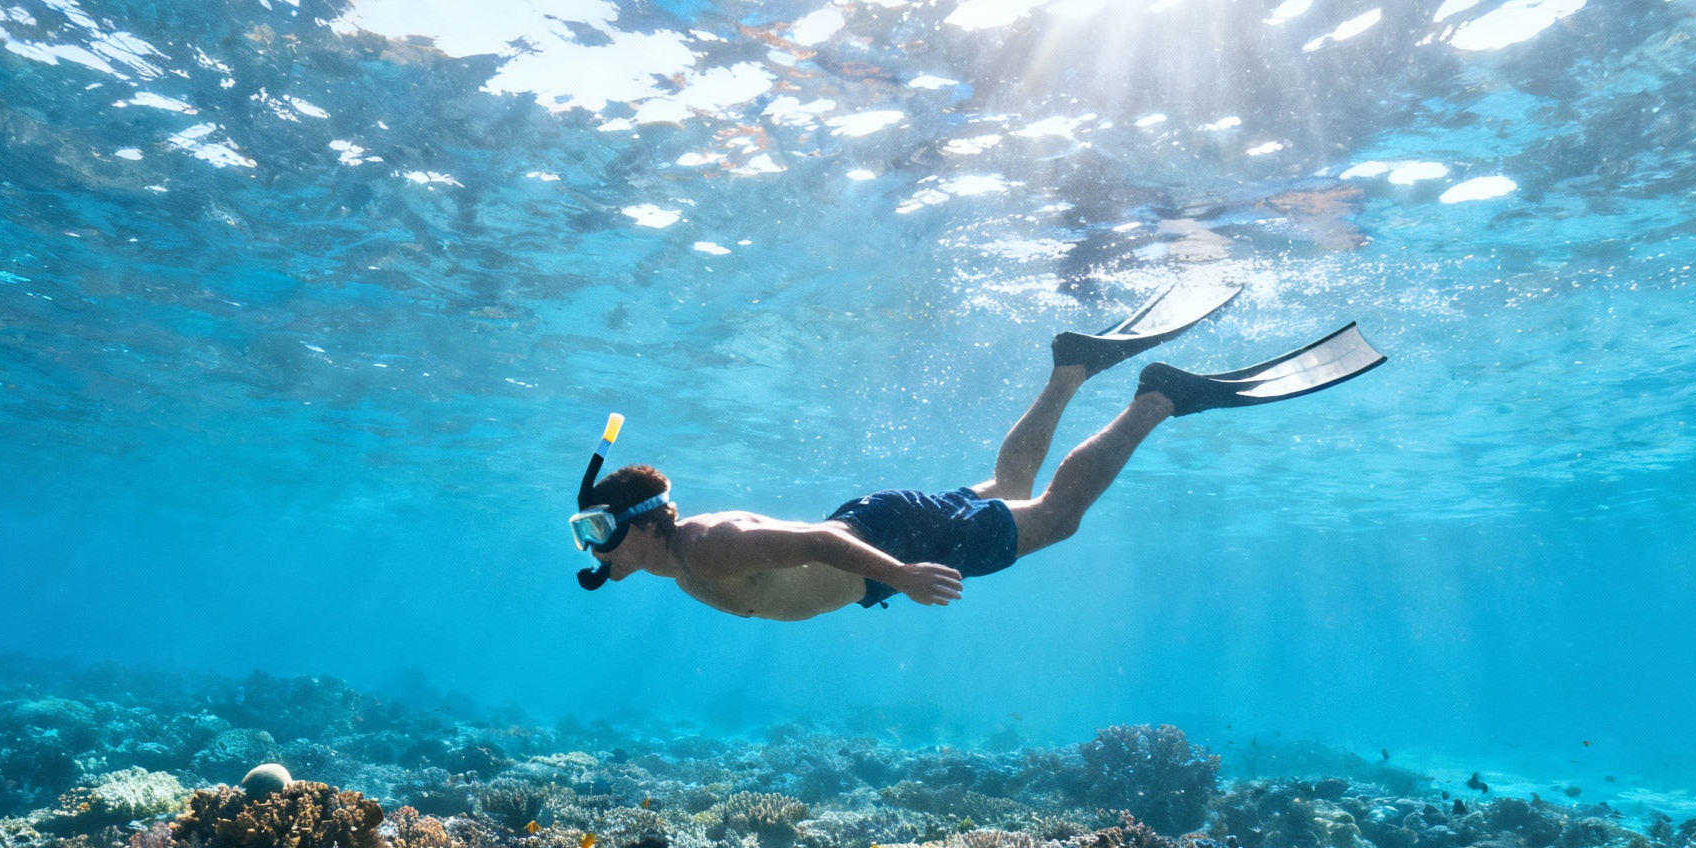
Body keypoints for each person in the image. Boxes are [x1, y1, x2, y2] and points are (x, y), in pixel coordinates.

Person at [565, 284, 1385, 620]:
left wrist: (904, 577)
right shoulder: (673, 560)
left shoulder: (709, 544)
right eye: (586, 539)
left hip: (887, 547)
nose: (596, 550)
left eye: (598, 531)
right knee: (1007, 484)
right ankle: (1072, 366)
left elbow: (817, 543)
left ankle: (1160, 398)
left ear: (643, 523)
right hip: (882, 532)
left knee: (1056, 519)